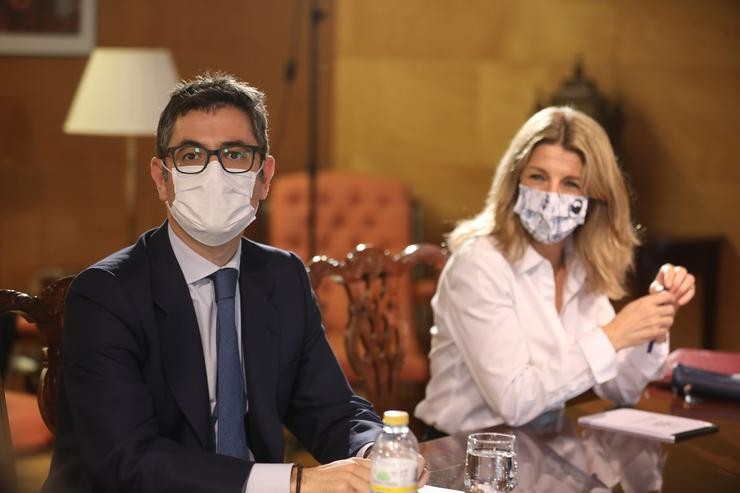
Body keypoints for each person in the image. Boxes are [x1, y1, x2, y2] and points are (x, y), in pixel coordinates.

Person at [43, 73, 424, 493]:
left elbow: (331, 407)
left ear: (264, 176)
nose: (214, 173)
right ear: (161, 176)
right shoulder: (106, 294)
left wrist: (378, 450)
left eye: (236, 154)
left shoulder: (282, 276)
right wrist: (296, 481)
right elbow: (127, 460)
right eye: (191, 155)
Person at [415, 106, 695, 435]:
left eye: (570, 183)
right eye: (538, 177)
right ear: (515, 181)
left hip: (541, 450)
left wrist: (654, 325)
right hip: (459, 453)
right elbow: (514, 401)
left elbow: (622, 391)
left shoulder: (581, 263)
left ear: (593, 196)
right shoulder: (479, 264)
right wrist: (614, 334)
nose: (551, 196)